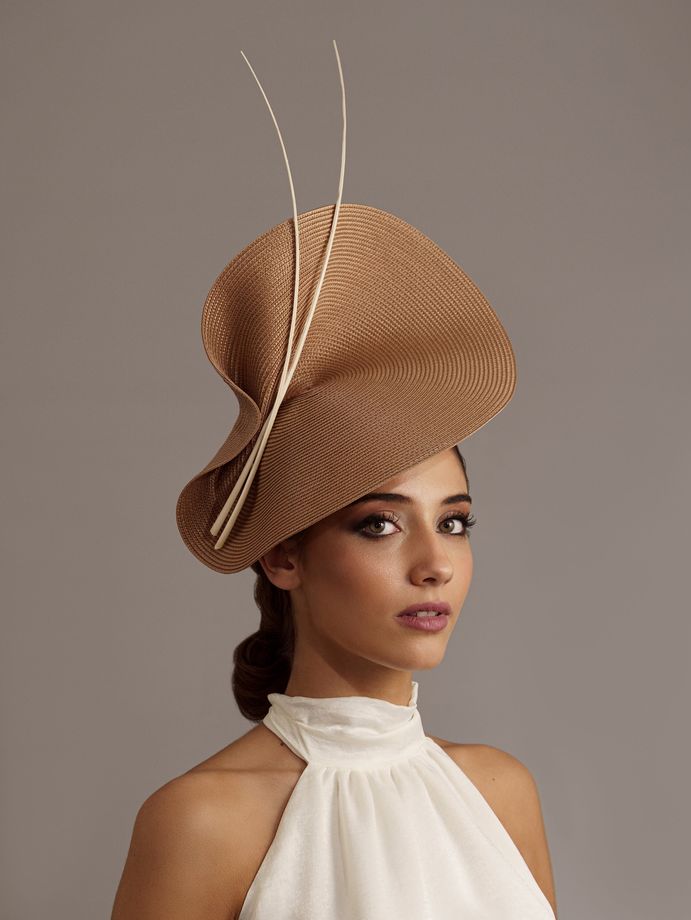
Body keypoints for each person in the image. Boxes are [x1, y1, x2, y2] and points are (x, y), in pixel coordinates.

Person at [111, 41, 558, 919]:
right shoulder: (200, 821)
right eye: (380, 525)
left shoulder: (502, 793)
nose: (435, 564)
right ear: (284, 555)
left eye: (456, 522)